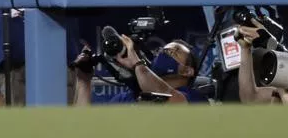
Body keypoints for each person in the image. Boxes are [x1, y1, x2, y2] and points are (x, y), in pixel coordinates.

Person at [73, 37, 207, 104]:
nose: (164, 54)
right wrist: (83, 80)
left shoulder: (195, 99)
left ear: (187, 71)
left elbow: (164, 96)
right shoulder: (128, 97)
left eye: (173, 52)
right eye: (163, 50)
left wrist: (137, 63)